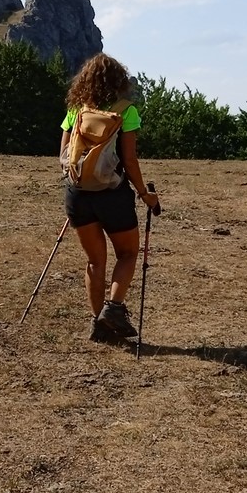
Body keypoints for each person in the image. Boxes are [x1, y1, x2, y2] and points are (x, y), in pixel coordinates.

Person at [60, 53, 161, 344]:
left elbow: (64, 155)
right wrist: (145, 194)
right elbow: (129, 159)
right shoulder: (126, 111)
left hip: (78, 194)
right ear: (119, 81)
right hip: (112, 195)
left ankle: (99, 324)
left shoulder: (76, 110)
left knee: (95, 261)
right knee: (127, 253)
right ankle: (114, 308)